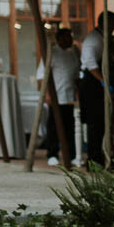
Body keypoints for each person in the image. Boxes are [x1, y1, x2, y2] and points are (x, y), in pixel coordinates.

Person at [79, 11, 114, 166]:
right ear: (105, 23)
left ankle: (101, 155)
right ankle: (93, 159)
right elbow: (90, 63)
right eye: (113, 23)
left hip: (97, 80)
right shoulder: (94, 39)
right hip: (91, 82)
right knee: (95, 122)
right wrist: (103, 82)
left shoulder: (103, 38)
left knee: (102, 122)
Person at [40, 28, 79, 166]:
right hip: (56, 96)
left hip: (70, 97)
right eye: (67, 37)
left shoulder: (73, 54)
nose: (70, 40)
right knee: (54, 127)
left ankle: (72, 155)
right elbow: (41, 76)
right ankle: (52, 154)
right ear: (59, 39)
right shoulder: (51, 53)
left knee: (70, 127)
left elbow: (75, 77)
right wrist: (47, 94)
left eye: (71, 37)